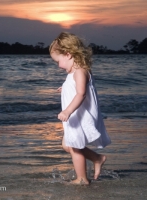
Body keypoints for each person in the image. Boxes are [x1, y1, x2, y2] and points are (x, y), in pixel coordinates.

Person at [49, 32, 111, 185]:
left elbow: (81, 93)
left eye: (58, 61)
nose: (58, 65)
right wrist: (65, 88)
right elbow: (76, 89)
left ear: (68, 54)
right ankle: (97, 158)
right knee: (67, 145)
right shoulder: (74, 72)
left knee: (74, 147)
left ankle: (82, 179)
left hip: (79, 115)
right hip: (76, 116)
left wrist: (67, 111)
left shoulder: (80, 71)